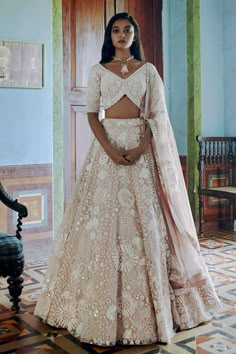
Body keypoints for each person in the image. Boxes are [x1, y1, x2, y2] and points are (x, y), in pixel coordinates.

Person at [34, 12, 221, 346]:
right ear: (110, 36)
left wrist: (140, 148)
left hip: (141, 149)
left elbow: (157, 117)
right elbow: (92, 114)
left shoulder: (148, 71)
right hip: (105, 152)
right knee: (99, 225)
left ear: (135, 36)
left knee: (144, 224)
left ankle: (156, 310)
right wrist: (108, 148)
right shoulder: (98, 71)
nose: (121, 35)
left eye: (127, 30)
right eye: (116, 30)